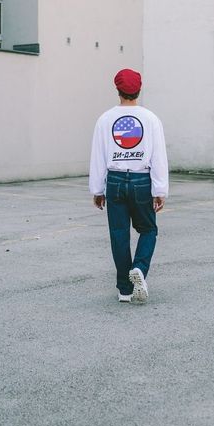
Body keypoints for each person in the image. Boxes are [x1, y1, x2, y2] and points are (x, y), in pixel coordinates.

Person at [89, 68, 168, 303]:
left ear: (117, 90)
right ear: (139, 90)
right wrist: (160, 189)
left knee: (119, 234)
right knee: (148, 229)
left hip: (114, 180)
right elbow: (158, 156)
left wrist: (97, 189)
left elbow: (98, 155)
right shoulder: (151, 119)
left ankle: (124, 289)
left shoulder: (105, 119)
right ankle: (140, 270)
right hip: (142, 180)